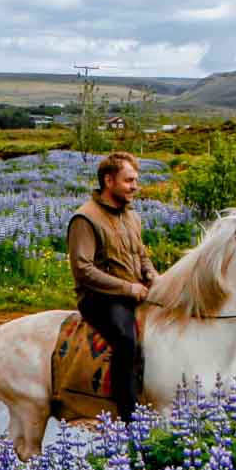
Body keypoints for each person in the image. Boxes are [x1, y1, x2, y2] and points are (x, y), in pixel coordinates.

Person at [67, 151, 157, 421]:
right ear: (109, 181)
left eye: (135, 180)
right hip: (100, 298)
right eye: (129, 181)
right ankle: (127, 415)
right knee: (126, 340)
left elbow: (141, 254)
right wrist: (128, 289)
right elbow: (83, 270)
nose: (134, 186)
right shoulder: (85, 218)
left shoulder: (130, 216)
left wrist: (152, 274)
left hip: (131, 291)